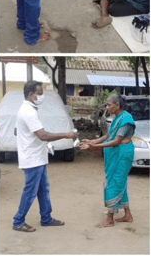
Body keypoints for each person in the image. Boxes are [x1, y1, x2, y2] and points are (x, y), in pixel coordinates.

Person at [13, 81, 77, 232]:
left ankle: (46, 218)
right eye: (40, 94)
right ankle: (18, 221)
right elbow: (43, 135)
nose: (42, 97)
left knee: (43, 190)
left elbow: (17, 131)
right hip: (32, 158)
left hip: (36, 157)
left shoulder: (28, 109)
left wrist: (28, 139)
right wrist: (66, 134)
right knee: (31, 191)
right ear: (31, 95)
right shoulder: (28, 111)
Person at [81, 94, 135, 228]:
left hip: (122, 154)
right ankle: (128, 215)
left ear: (118, 106)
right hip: (117, 153)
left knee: (112, 184)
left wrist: (95, 147)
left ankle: (110, 219)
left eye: (109, 104)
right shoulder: (117, 117)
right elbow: (108, 135)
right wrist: (93, 141)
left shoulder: (126, 119)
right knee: (119, 182)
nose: (107, 107)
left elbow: (116, 141)